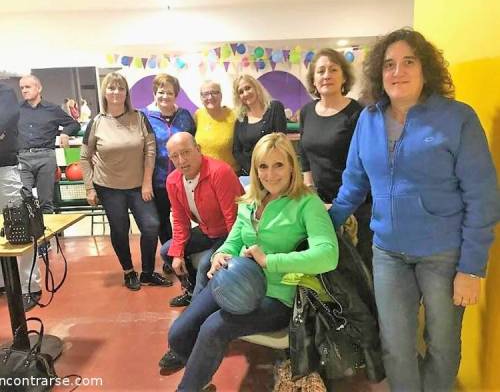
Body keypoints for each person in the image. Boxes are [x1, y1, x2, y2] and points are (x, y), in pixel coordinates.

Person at [329, 28, 499, 392]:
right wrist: (323, 225)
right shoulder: (369, 120)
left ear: (426, 70)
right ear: (379, 73)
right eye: (389, 64)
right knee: (396, 346)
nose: (397, 72)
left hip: (443, 254)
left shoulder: (457, 118)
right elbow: (353, 185)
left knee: (443, 344)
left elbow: (482, 196)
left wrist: (471, 267)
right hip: (388, 253)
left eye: (408, 62)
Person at [160, 132, 339, 391]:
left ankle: (190, 387)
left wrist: (269, 260)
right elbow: (233, 241)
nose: (270, 174)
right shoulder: (251, 200)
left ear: (292, 165)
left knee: (212, 328)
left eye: (279, 165)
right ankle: (201, 374)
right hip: (235, 281)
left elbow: (328, 255)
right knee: (178, 335)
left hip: (278, 296)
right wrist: (220, 255)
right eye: (263, 166)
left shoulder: (306, 203)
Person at [80, 72, 170, 291]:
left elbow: (151, 150)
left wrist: (147, 182)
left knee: (151, 226)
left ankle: (147, 272)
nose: (116, 92)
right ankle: (129, 271)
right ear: (104, 93)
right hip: (108, 187)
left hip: (139, 185)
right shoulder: (96, 123)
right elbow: (84, 157)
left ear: (126, 93)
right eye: (111, 88)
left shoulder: (139, 118)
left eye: (120, 88)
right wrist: (90, 187)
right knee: (120, 230)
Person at [299, 48, 373, 268]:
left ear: (344, 76)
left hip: (356, 207)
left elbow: (366, 163)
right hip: (320, 204)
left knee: (360, 270)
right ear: (313, 79)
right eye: (320, 71)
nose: (326, 75)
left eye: (333, 69)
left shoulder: (358, 113)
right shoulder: (307, 112)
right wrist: (311, 195)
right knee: (330, 270)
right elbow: (304, 154)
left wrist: (340, 205)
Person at [159, 132, 243, 307]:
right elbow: (180, 220)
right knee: (168, 251)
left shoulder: (220, 172)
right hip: (207, 230)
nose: (181, 160)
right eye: (175, 156)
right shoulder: (173, 181)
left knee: (206, 263)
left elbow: (233, 219)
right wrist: (178, 254)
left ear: (198, 149)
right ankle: (191, 292)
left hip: (231, 231)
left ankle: (198, 309)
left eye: (186, 152)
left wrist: (230, 248)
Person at [0, 83, 41, 311]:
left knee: (20, 225)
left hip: (4, 168)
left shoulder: (3, 91)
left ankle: (30, 285)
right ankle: (3, 283)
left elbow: (5, 119)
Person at [141, 74, 195, 247]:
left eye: (169, 93)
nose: (165, 96)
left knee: (185, 218)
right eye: (161, 92)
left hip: (185, 178)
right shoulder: (144, 116)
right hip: (158, 180)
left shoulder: (185, 115)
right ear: (154, 93)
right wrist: (146, 181)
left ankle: (185, 252)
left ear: (176, 95)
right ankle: (170, 256)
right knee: (162, 221)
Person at [17, 75, 80, 214]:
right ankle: (29, 233)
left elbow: (73, 123)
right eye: (22, 88)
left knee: (46, 201)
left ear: (39, 88)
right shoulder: (17, 110)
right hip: (23, 157)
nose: (24, 90)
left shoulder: (52, 109)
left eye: (28, 87)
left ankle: (47, 235)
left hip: (46, 156)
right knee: (23, 198)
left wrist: (65, 133)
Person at [232, 74, 287, 175]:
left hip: (274, 172)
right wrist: (253, 170)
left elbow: (282, 142)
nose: (245, 93)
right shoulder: (240, 119)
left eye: (248, 88)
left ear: (256, 87)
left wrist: (266, 169)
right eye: (241, 92)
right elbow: (236, 151)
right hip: (250, 174)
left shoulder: (275, 108)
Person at [194, 80, 238, 172]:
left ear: (221, 95)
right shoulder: (198, 115)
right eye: (205, 94)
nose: (210, 97)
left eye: (215, 92)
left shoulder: (234, 115)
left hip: (229, 172)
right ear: (201, 98)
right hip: (204, 173)